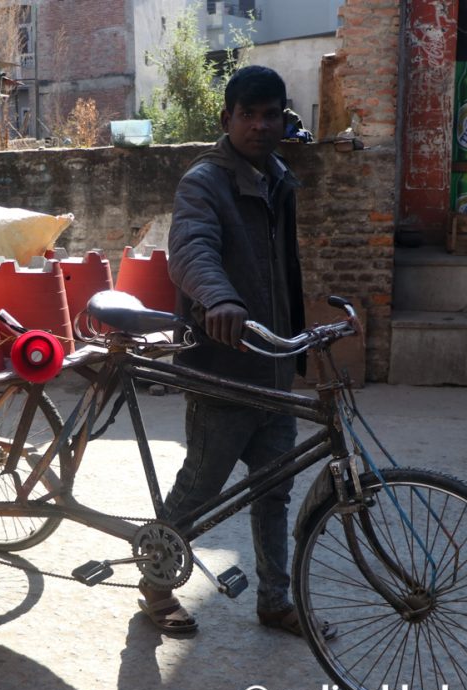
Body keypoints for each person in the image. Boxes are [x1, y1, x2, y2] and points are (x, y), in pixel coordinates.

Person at [137, 67, 333, 639]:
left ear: (283, 118)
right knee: (199, 489)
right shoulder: (204, 182)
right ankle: (154, 585)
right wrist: (218, 298)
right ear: (226, 120)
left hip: (271, 368)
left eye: (270, 113)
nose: (260, 124)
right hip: (223, 369)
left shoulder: (277, 177)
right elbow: (192, 248)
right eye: (247, 114)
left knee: (274, 491)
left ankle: (274, 600)